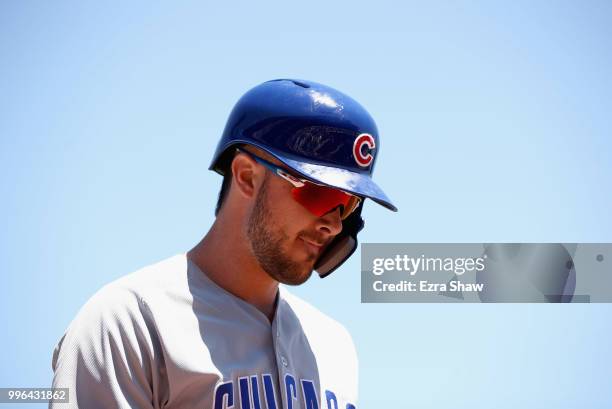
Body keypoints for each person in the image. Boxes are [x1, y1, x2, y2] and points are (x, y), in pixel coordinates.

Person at [50, 79, 397, 409]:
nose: (334, 224)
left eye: (348, 202)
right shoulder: (128, 322)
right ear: (246, 175)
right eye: (320, 193)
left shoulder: (334, 346)